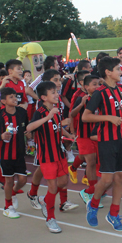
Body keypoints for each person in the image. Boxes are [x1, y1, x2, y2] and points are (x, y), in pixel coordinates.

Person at [82, 56, 122, 232]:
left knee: (120, 177)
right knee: (107, 179)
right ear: (108, 72)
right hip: (107, 141)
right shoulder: (100, 93)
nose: (121, 71)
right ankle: (93, 204)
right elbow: (86, 116)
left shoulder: (121, 90)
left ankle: (114, 214)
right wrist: (108, 118)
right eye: (118, 69)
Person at [27, 81, 76, 233]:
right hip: (46, 155)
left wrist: (69, 136)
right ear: (43, 97)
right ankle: (50, 219)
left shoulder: (56, 110)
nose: (56, 94)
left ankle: (44, 200)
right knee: (53, 186)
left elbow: (58, 128)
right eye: (53, 93)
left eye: (56, 91)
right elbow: (29, 128)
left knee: (63, 182)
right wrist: (48, 116)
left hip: (59, 153)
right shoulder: (40, 112)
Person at [0, 87, 30, 219]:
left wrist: (29, 133)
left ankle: (12, 193)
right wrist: (1, 136)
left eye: (16, 96)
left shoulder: (22, 113)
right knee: (9, 180)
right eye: (11, 97)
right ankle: (8, 206)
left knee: (23, 179)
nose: (15, 99)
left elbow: (27, 127)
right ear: (3, 101)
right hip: (5, 153)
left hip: (19, 152)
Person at [69, 73, 99, 202]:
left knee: (92, 159)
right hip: (85, 134)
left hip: (97, 135)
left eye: (99, 84)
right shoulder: (82, 98)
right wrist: (81, 104)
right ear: (86, 86)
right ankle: (92, 191)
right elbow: (72, 113)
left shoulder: (101, 97)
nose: (97, 87)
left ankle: (73, 167)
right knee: (91, 161)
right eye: (94, 85)